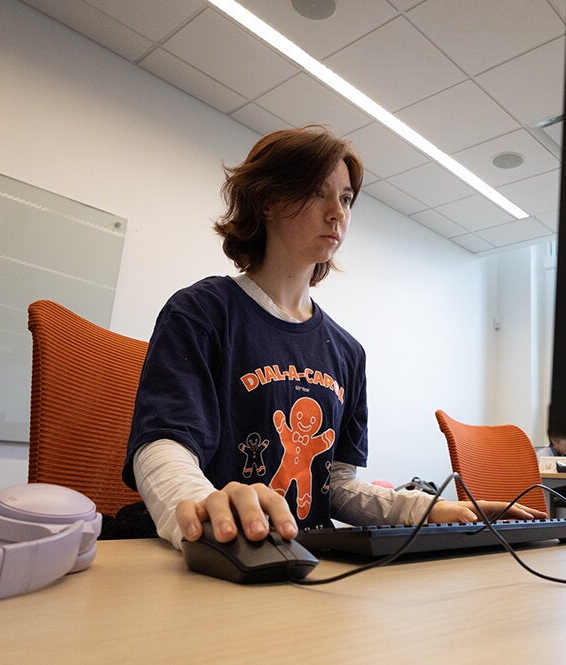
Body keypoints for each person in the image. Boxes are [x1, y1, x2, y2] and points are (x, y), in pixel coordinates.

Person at [123, 126, 544, 549]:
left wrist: (431, 510)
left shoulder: (347, 352)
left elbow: (336, 485)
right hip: (222, 553)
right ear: (268, 200)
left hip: (300, 560)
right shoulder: (203, 311)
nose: (337, 212)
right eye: (317, 193)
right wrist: (202, 513)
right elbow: (162, 445)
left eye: (345, 198)